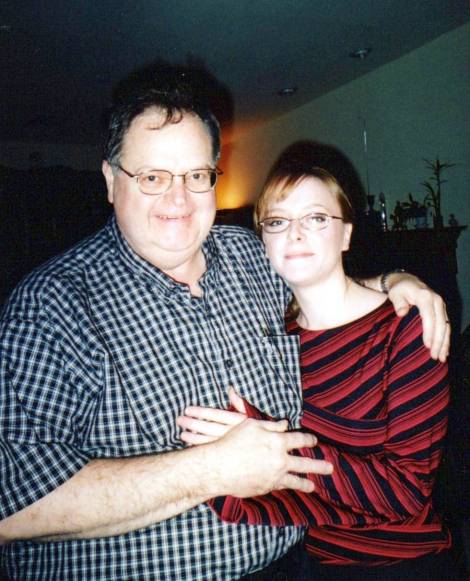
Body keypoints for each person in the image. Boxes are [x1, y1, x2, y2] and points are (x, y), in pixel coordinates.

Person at [0, 64, 449, 581]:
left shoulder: (250, 255)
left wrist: (395, 280)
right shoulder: (52, 304)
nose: (178, 200)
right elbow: (11, 505)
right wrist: (210, 470)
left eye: (196, 176)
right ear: (110, 179)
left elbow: (324, 285)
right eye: (152, 177)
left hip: (303, 564)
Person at [177, 165, 459, 580]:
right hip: (309, 564)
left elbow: (407, 492)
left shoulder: (405, 327)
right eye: (277, 221)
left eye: (316, 218)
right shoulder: (273, 338)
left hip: (403, 565)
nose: (295, 233)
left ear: (346, 234)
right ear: (263, 243)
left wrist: (272, 448)